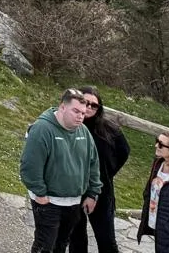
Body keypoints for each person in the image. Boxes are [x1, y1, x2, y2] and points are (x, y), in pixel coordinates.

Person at [21, 88, 102, 253]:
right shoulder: (42, 129)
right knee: (45, 246)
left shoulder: (84, 132)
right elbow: (30, 165)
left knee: (61, 244)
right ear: (62, 107)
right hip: (49, 202)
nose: (81, 116)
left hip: (73, 202)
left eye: (83, 112)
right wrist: (40, 194)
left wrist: (93, 193)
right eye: (76, 111)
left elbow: (93, 163)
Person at [70, 88, 129, 253]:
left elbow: (124, 151)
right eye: (85, 103)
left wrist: (108, 172)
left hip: (100, 191)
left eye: (93, 105)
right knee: (76, 238)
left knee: (106, 240)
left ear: (99, 108)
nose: (88, 108)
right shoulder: (70, 125)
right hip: (73, 190)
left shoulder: (109, 129)